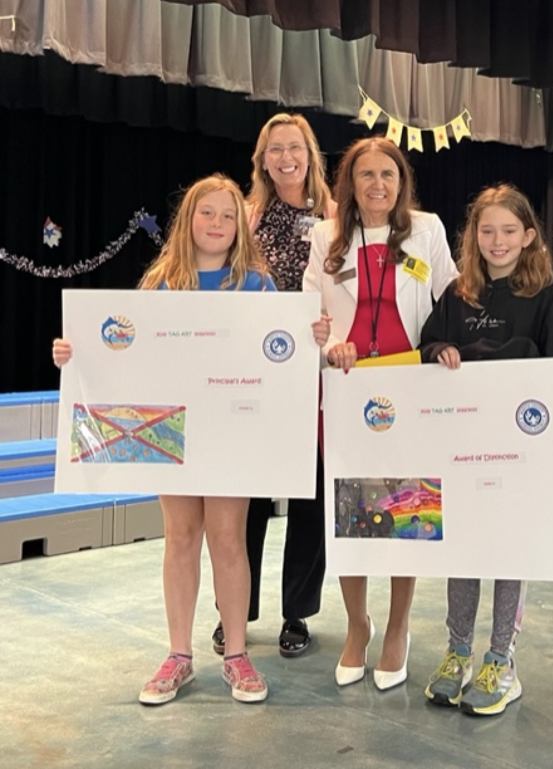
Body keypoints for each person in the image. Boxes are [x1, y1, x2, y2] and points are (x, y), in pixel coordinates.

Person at [53, 174, 331, 705]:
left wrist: (310, 337)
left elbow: (281, 354)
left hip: (231, 432)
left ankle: (237, 655)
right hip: (172, 430)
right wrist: (76, 352)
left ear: (240, 226)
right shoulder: (162, 282)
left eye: (228, 215)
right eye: (208, 213)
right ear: (189, 219)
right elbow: (124, 352)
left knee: (228, 538)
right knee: (180, 536)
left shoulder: (257, 285)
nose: (217, 223)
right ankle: (178, 655)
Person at [303, 136, 458, 690]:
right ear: (350, 182)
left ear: (401, 182)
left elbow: (453, 298)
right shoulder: (324, 236)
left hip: (409, 387)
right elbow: (310, 316)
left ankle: (397, 628)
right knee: (350, 511)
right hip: (347, 390)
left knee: (406, 509)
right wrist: (330, 346)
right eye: (365, 174)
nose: (377, 184)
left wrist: (448, 346)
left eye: (387, 174)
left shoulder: (426, 230)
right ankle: (357, 625)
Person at [418, 184, 553, 715]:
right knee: (464, 550)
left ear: (528, 236)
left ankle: (501, 659)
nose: (497, 240)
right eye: (487, 231)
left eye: (509, 230)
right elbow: (427, 346)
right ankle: (458, 651)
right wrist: (440, 350)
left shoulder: (546, 298)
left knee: (509, 550)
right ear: (474, 237)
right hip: (462, 447)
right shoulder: (457, 294)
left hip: (517, 453)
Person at [210, 113, 336, 660]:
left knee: (310, 496)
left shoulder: (337, 216)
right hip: (254, 376)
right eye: (275, 149)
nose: (286, 158)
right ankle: (235, 610)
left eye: (295, 148)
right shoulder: (246, 215)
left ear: (311, 155)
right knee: (248, 498)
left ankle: (297, 612)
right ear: (262, 159)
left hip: (315, 374)